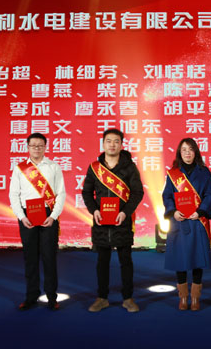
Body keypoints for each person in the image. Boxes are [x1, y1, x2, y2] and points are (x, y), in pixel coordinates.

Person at [82, 128, 144, 313]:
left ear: (121, 145)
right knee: (102, 262)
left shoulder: (129, 167)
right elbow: (86, 192)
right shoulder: (94, 168)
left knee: (126, 261)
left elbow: (137, 192)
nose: (112, 145)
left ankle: (128, 298)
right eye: (108, 141)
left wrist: (125, 212)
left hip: (122, 221)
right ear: (103, 144)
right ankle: (102, 298)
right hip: (101, 222)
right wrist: (94, 211)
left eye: (116, 141)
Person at [9, 132, 66, 311]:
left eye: (40, 145)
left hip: (48, 215)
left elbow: (61, 193)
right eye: (33, 145)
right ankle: (31, 296)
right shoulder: (19, 169)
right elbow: (13, 194)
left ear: (45, 147)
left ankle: (51, 297)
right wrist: (21, 216)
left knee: (49, 258)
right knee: (30, 258)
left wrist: (53, 216)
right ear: (27, 147)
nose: (36, 148)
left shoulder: (54, 167)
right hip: (27, 216)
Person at [162, 138, 211, 311]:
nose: (187, 153)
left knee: (197, 259)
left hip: (197, 221)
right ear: (179, 153)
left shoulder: (204, 172)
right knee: (180, 259)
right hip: (179, 221)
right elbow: (167, 196)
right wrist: (173, 212)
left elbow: (208, 195)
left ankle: (195, 297)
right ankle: (183, 297)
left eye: (190, 149)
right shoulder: (173, 173)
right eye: (184, 150)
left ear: (195, 151)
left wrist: (200, 211)